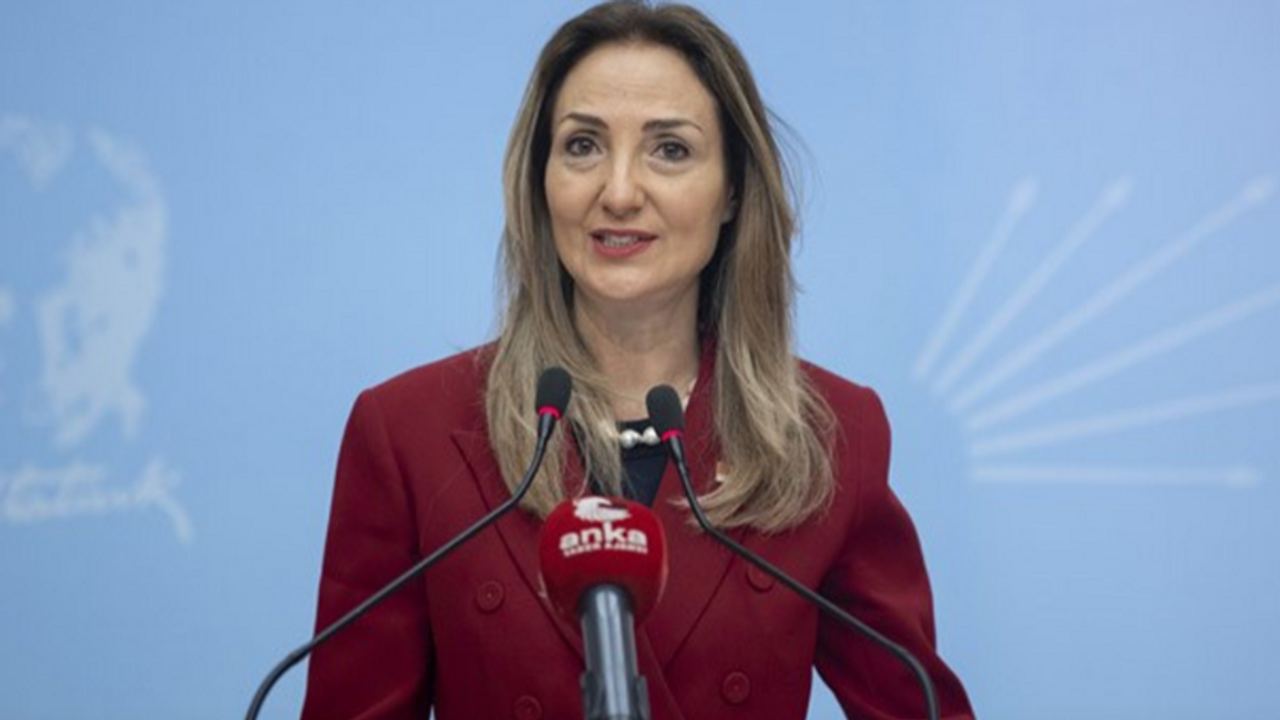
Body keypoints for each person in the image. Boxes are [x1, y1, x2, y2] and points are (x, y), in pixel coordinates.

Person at [301, 2, 974, 719]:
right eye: (583, 145)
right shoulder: (409, 433)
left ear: (733, 191)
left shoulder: (833, 435)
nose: (618, 193)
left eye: (670, 150)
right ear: (540, 181)